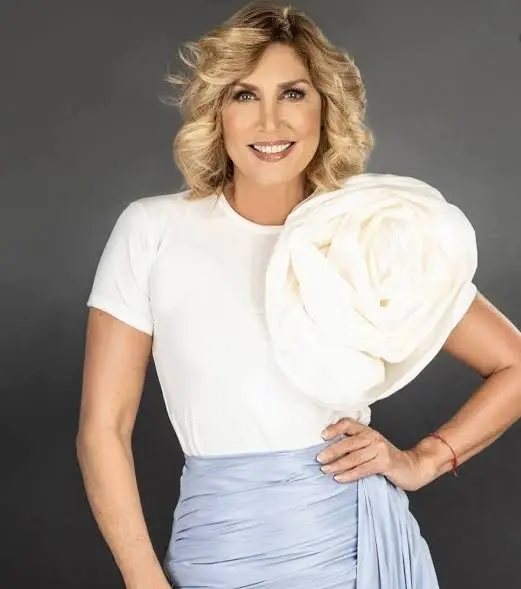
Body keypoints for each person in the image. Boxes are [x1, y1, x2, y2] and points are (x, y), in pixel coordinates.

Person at [76, 2, 521, 588]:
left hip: (353, 549)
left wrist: (424, 460)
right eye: (244, 95)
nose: (270, 122)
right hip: (218, 549)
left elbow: (514, 364)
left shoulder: (367, 232)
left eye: (293, 94)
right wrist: (144, 581)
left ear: (325, 108)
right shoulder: (152, 230)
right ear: (216, 113)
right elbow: (103, 429)